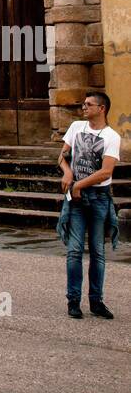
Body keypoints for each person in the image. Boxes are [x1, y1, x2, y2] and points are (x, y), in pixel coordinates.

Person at [58, 92, 121, 320]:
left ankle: (96, 301)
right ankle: (73, 301)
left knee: (98, 251)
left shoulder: (112, 136)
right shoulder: (76, 127)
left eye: (88, 104)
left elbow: (106, 171)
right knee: (74, 251)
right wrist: (68, 174)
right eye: (83, 104)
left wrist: (79, 185)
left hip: (98, 198)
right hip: (76, 199)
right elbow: (62, 157)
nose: (83, 107)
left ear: (101, 108)